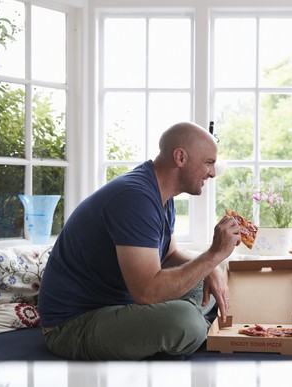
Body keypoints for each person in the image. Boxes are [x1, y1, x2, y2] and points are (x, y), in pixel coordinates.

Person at [38, 122, 242, 360]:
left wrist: (213, 267)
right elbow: (147, 293)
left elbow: (168, 255)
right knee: (186, 322)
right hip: (73, 325)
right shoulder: (134, 198)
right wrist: (213, 255)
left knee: (210, 279)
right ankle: (187, 328)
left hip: (120, 305)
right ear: (180, 157)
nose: (213, 173)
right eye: (208, 162)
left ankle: (173, 329)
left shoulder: (162, 195)